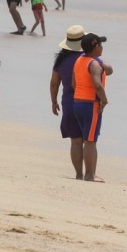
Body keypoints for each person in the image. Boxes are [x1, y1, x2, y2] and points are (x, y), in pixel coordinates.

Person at [73, 33, 112, 183]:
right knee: (90, 141)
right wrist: (104, 100)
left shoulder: (79, 60)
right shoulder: (94, 64)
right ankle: (90, 175)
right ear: (95, 47)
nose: (102, 47)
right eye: (100, 45)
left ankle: (89, 173)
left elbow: (74, 83)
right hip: (91, 105)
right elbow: (97, 85)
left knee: (88, 139)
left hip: (78, 103)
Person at [50, 26, 89, 179]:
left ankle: (79, 174)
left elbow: (54, 83)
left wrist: (53, 102)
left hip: (68, 103)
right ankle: (90, 173)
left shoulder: (61, 60)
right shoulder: (87, 58)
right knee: (89, 141)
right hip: (86, 101)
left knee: (75, 141)